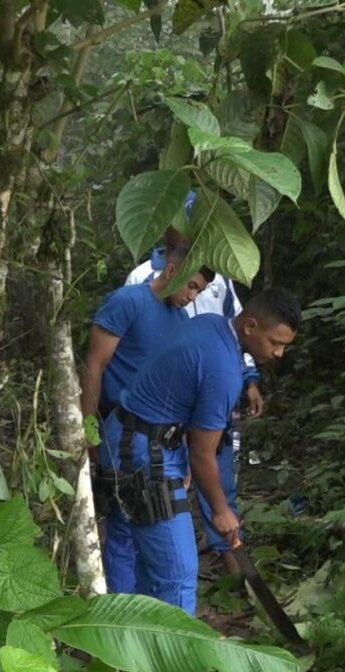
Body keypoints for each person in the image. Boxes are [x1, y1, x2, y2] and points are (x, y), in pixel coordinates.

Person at [108, 287, 301, 672]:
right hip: (144, 456)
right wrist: (221, 511)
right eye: (276, 343)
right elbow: (205, 451)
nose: (278, 353)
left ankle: (143, 665)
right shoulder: (223, 369)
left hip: (129, 437)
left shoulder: (215, 328)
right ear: (250, 326)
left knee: (139, 554)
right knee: (178, 570)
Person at [126, 196, 263, 572]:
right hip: (165, 402)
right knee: (172, 480)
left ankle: (226, 550)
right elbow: (136, 345)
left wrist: (249, 377)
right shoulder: (141, 278)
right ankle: (178, 553)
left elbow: (240, 325)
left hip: (212, 386)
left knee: (214, 463)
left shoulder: (219, 277)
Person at [79, 226, 211, 597]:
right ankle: (122, 615)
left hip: (157, 442)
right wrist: (88, 432)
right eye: (192, 286)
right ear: (172, 272)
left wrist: (182, 457)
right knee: (121, 526)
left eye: (199, 290)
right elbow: (93, 365)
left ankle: (144, 611)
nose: (193, 296)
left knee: (146, 524)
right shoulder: (128, 302)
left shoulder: (181, 322)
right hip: (117, 431)